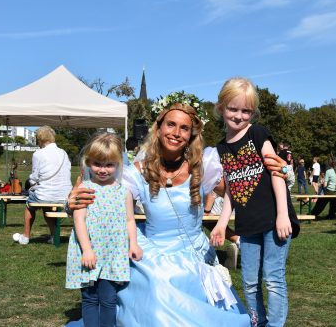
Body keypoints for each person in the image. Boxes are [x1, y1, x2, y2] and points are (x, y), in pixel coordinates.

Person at [67, 100, 251, 326]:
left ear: (192, 134)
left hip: (193, 252)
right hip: (153, 251)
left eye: (184, 128)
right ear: (159, 128)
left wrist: (223, 223)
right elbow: (102, 200)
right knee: (159, 279)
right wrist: (71, 203)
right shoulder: (138, 172)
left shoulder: (202, 168)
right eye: (171, 125)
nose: (176, 133)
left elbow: (238, 191)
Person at [210, 77, 300, 327]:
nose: (239, 116)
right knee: (249, 282)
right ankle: (257, 322)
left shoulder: (257, 133)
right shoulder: (221, 148)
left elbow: (276, 173)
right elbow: (232, 189)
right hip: (248, 225)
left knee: (273, 278)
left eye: (246, 111)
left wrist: (283, 214)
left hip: (274, 221)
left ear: (253, 113)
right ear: (221, 108)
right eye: (233, 109)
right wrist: (221, 223)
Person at [65, 133, 142, 327]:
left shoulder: (123, 192)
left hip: (113, 253)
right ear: (89, 162)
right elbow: (79, 220)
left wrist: (133, 243)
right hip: (89, 253)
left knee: (108, 299)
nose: (103, 169)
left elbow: (129, 220)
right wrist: (87, 249)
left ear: (118, 164)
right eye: (97, 164)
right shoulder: (85, 189)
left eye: (109, 164)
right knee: (90, 298)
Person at [13, 126, 72, 245]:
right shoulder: (63, 153)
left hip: (46, 193)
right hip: (65, 195)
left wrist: (30, 182)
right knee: (47, 206)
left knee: (30, 204)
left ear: (40, 139)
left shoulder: (38, 154)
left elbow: (34, 177)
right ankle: (53, 235)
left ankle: (25, 236)